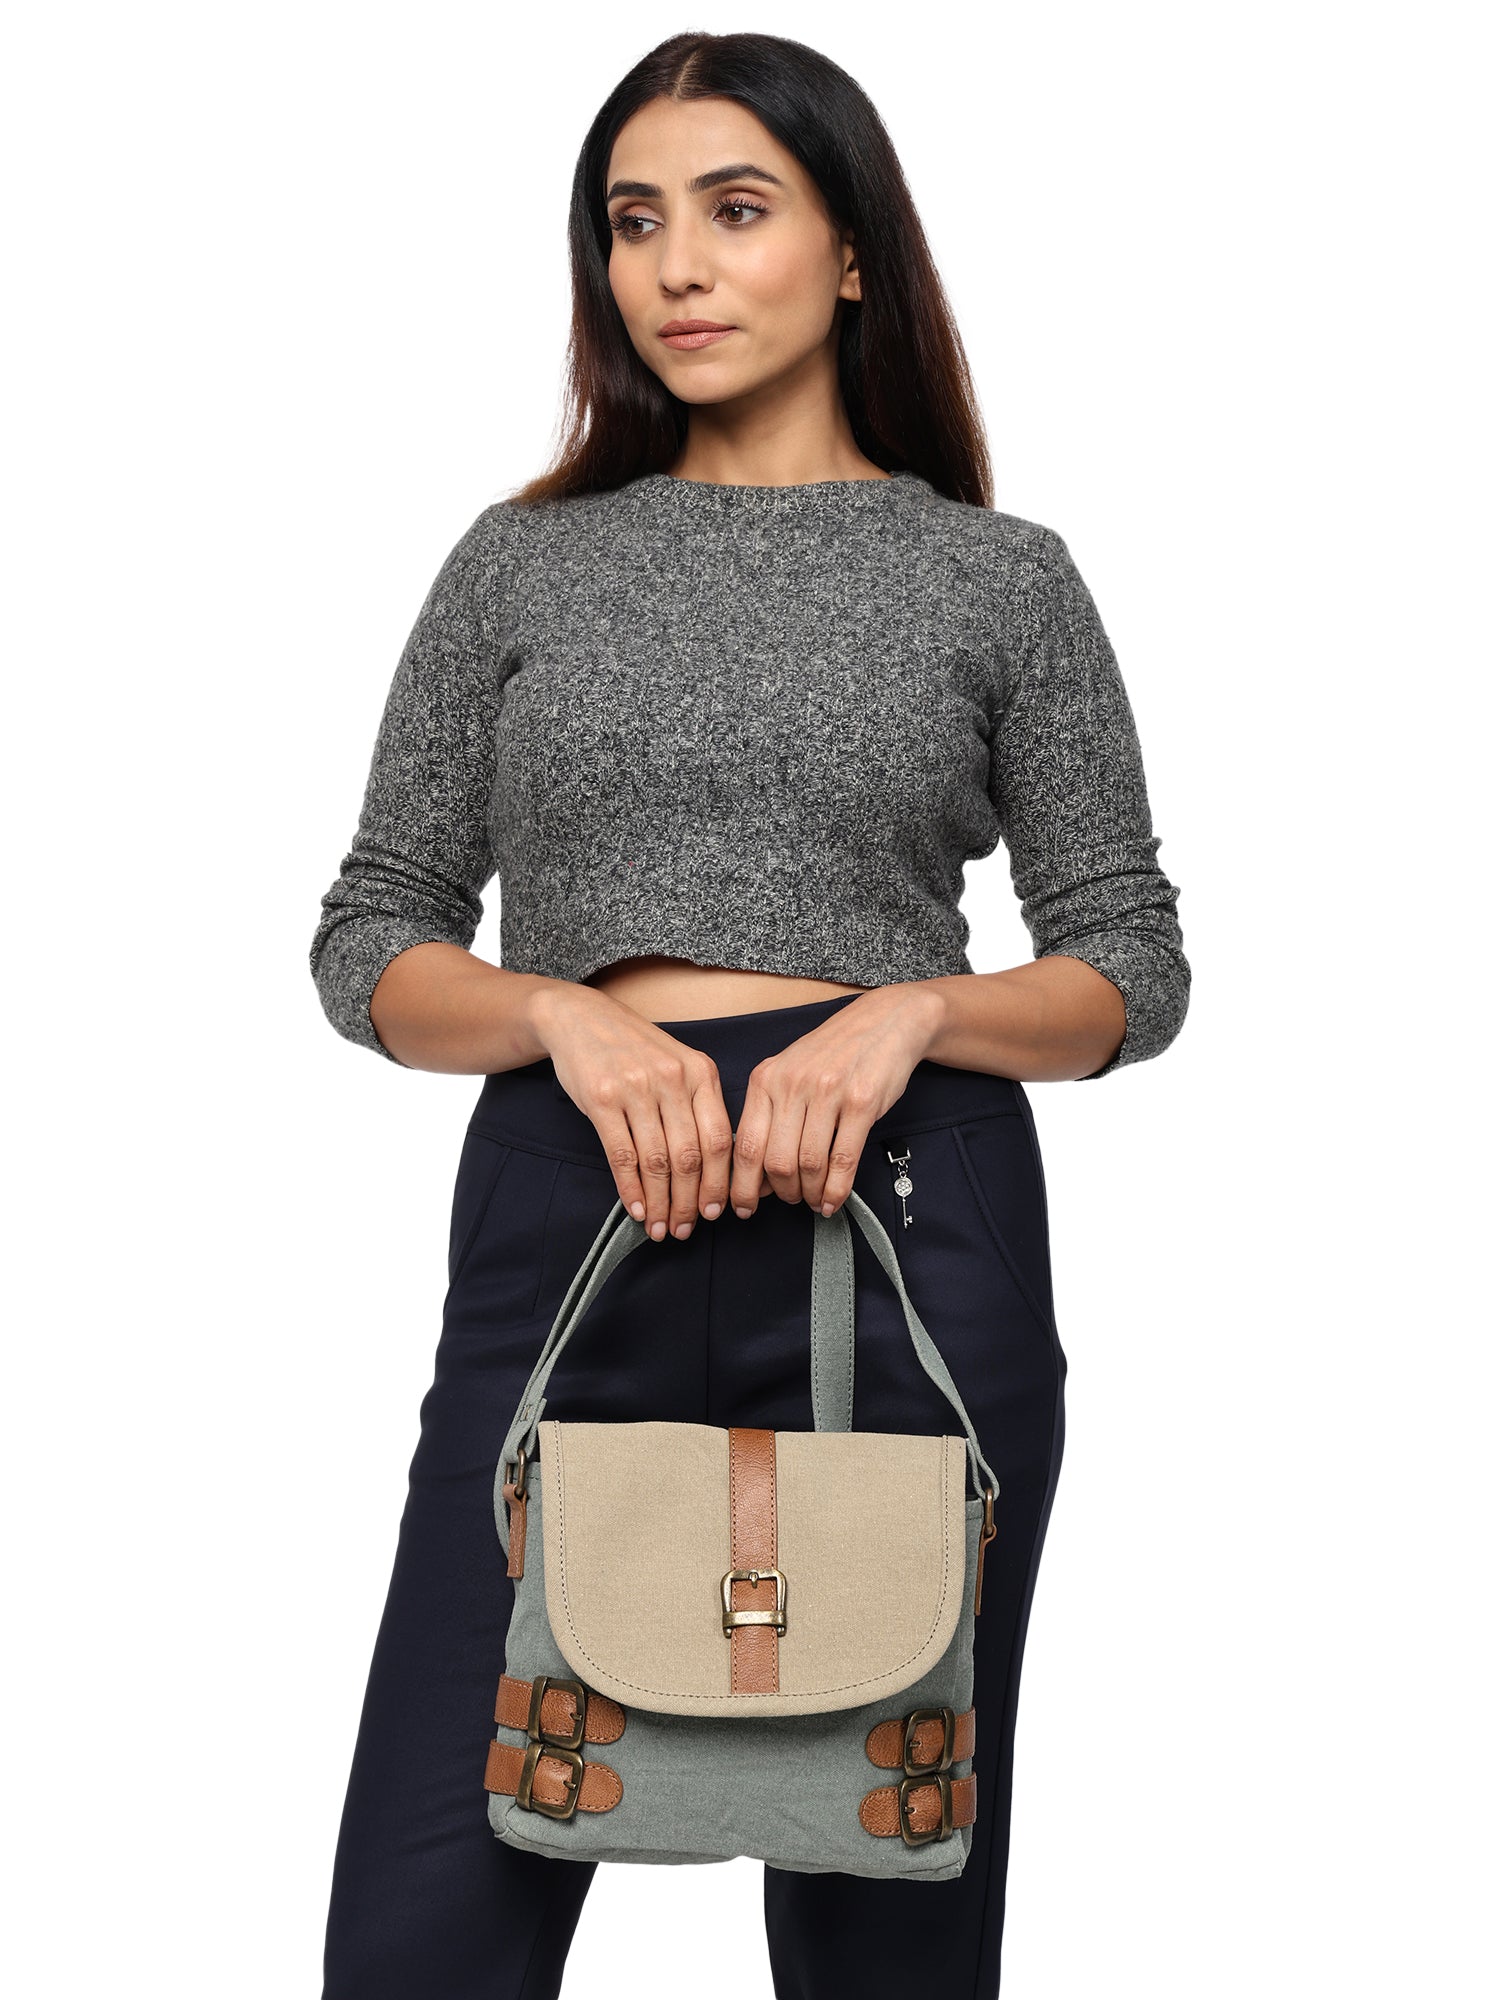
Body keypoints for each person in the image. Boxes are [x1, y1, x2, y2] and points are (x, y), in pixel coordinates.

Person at [308, 29, 1190, 1999]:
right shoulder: (522, 565)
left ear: (851, 249)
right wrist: (560, 1016)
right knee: (430, 1913)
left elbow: (1129, 965)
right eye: (633, 223)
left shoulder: (997, 580)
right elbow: (373, 938)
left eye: (734, 209)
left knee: (890, 1902)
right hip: (575, 1206)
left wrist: (912, 1017)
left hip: (905, 1217)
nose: (676, 267)